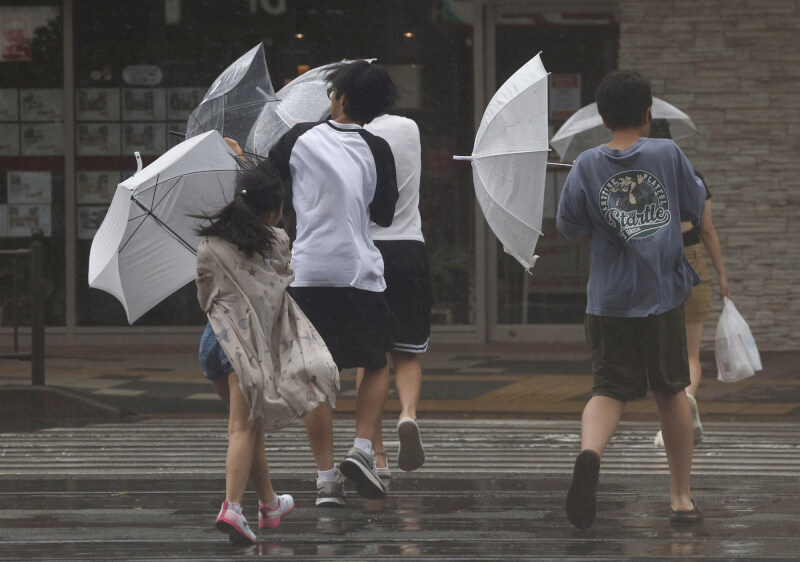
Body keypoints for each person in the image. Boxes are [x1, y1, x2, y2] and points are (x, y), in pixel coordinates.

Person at [556, 70, 708, 529]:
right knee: (670, 390)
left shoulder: (585, 164)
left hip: (608, 299)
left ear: (602, 118)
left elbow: (571, 227)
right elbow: (691, 204)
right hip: (660, 294)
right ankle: (681, 497)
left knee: (608, 389)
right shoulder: (666, 153)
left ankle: (589, 453)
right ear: (648, 114)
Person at [263, 60, 399, 501]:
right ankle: (361, 448)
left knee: (314, 379)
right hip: (358, 272)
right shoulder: (377, 148)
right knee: (376, 361)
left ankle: (325, 481)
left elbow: (265, 188)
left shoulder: (298, 137)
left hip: (308, 272)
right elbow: (383, 214)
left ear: (338, 97)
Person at [195, 163, 339, 543]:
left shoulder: (209, 246)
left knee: (250, 426)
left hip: (214, 344)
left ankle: (270, 504)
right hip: (243, 348)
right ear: (274, 212)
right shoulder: (276, 243)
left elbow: (205, 297)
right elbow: (280, 279)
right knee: (242, 428)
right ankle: (232, 508)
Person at [649, 120, 730, 448]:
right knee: (692, 352)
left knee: (663, 350)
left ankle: (670, 421)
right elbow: (707, 229)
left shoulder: (642, 180)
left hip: (656, 261)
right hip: (693, 256)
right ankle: (689, 400)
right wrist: (722, 275)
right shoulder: (692, 176)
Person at [359, 112, 432, 478]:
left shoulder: (354, 135)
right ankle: (408, 414)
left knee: (371, 358)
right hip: (409, 248)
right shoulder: (410, 127)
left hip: (368, 249)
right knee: (407, 352)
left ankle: (377, 454)